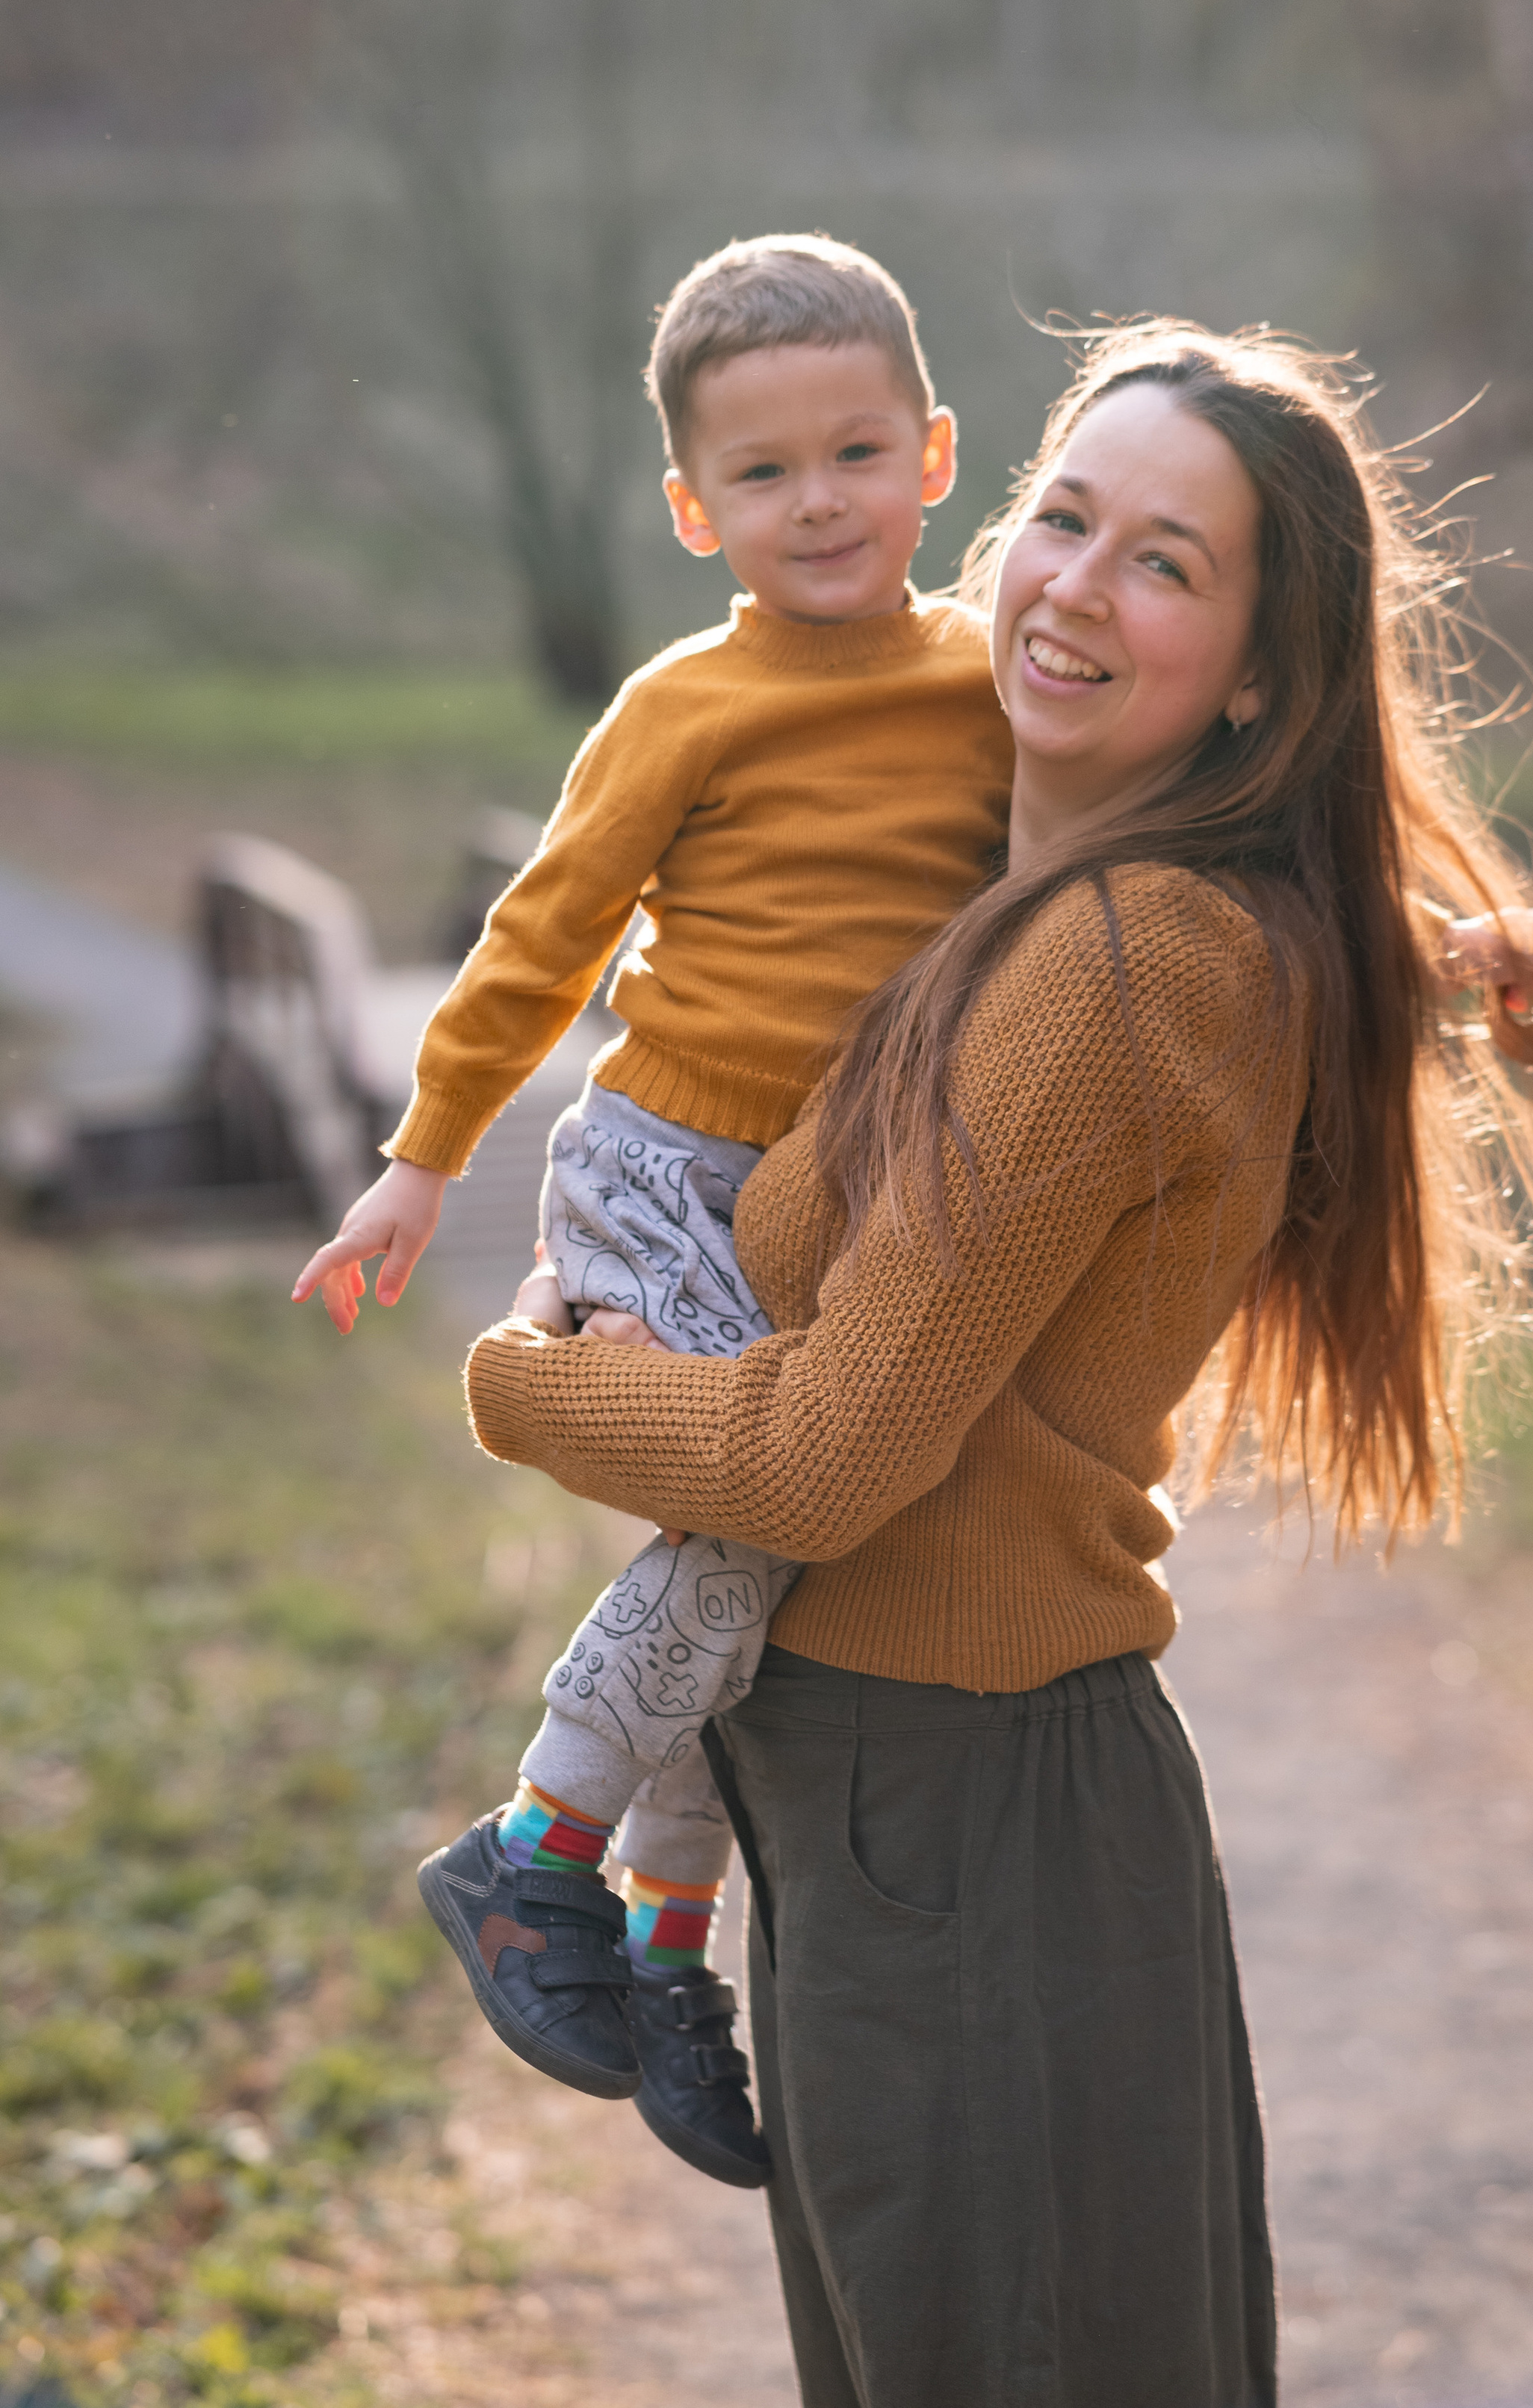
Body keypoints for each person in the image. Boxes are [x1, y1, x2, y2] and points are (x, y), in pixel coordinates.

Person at [461, 321, 1533, 2408]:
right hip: (912, 1806)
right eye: (1064, 516)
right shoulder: (1045, 902)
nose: (1073, 586)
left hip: (967, 1823)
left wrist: (527, 1381)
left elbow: (825, 1456)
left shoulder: (1116, 963)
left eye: (1166, 562)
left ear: (1259, 673)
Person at [290, 233, 1014, 2186]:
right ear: (696, 510)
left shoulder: (990, 682)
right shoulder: (687, 704)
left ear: (936, 456)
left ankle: (668, 1951)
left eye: (856, 452)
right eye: (764, 473)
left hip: (839, 1204)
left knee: (752, 1576)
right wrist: (424, 1155)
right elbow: (543, 935)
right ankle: (534, 1851)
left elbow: (1148, 836)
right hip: (661, 1171)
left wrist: (1436, 940)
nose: (819, 501)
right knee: (761, 1514)